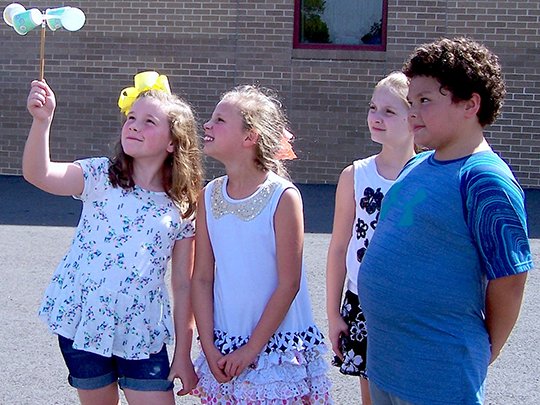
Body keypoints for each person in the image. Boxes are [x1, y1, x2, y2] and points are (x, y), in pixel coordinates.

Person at [357, 37, 534, 405]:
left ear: (470, 104)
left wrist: (484, 352)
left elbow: (511, 278)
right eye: (411, 102)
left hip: (438, 375)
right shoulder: (419, 164)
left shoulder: (485, 179)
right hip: (387, 363)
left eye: (425, 101)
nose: (412, 113)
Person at [23, 72, 203, 405]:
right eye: (132, 117)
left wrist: (183, 353)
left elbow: (183, 284)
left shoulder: (183, 206)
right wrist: (42, 121)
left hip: (141, 330)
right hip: (84, 319)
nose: (134, 125)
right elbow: (39, 174)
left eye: (149, 121)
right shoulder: (99, 176)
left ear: (173, 141)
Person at [191, 84, 332, 403]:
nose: (207, 125)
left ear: (250, 136)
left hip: (273, 350)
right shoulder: (209, 196)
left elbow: (288, 283)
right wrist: (209, 347)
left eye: (219, 120)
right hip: (225, 347)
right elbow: (201, 277)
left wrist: (252, 349)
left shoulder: (282, 197)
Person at [326, 71, 415, 405]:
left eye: (389, 112)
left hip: (410, 305)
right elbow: (338, 249)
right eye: (373, 108)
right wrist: (334, 313)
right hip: (362, 302)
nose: (376, 117)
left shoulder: (425, 175)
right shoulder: (355, 175)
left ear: (414, 118)